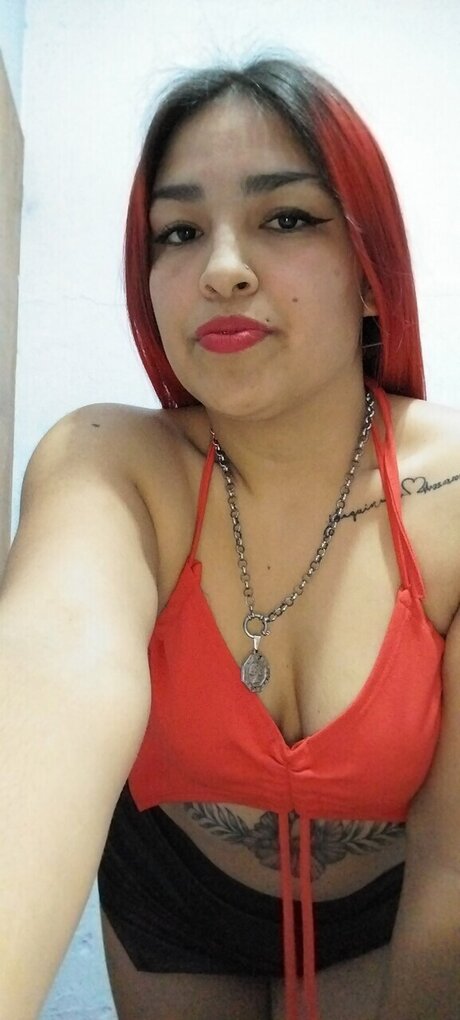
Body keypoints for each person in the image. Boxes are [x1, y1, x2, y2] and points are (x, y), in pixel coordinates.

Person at [1, 53, 459, 1020]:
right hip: (173, 899)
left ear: (371, 274)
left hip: (386, 911)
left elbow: (454, 876)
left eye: (284, 218)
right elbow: (49, 667)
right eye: (179, 232)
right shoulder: (109, 466)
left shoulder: (451, 499)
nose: (221, 268)